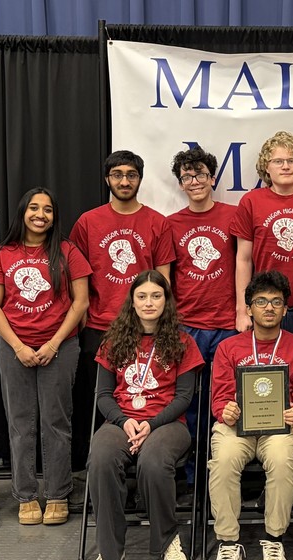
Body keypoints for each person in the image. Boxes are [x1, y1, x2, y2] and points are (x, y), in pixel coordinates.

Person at [86, 270, 204, 560]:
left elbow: (184, 397)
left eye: (156, 296)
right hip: (121, 422)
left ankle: (167, 541)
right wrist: (124, 421)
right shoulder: (113, 341)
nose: (149, 302)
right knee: (101, 458)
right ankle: (110, 552)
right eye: (142, 296)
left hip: (167, 424)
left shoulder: (183, 341)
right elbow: (103, 395)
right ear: (132, 301)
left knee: (154, 461)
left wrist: (151, 425)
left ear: (166, 301)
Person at [69, 150, 175, 493]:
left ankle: (146, 477)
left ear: (140, 179)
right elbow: (77, 275)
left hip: (147, 330)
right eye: (118, 175)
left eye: (131, 174)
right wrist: (82, 316)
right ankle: (107, 482)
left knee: (148, 397)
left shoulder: (157, 222)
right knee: (102, 404)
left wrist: (162, 322)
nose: (125, 181)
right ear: (107, 179)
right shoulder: (88, 222)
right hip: (100, 327)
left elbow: (163, 280)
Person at [0, 187, 91, 526]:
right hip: (13, 349)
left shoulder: (67, 251)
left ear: (54, 216)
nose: (40, 215)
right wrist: (18, 347)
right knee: (20, 423)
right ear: (23, 212)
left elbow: (81, 302)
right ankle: (26, 495)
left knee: (56, 422)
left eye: (47, 209)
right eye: (33, 208)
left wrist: (54, 344)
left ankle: (58, 493)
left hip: (59, 348)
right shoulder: (4, 254)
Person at [207, 271, 293, 560]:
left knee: (282, 460)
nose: (269, 308)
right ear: (249, 308)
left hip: (281, 427)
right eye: (261, 301)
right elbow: (219, 398)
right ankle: (228, 543)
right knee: (223, 460)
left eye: (276, 302)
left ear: (286, 309)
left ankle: (274, 539)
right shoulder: (229, 347)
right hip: (236, 426)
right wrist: (224, 410)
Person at [230, 131, 293, 349]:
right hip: (266, 307)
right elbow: (243, 260)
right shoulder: (251, 201)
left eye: (292, 160)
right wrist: (242, 311)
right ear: (266, 167)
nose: (285, 166)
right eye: (278, 161)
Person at [167, 146, 237, 449]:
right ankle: (192, 468)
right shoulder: (171, 223)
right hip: (187, 325)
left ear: (212, 179)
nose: (194, 182)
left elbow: (245, 263)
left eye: (200, 175)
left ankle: (222, 462)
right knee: (189, 400)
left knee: (227, 399)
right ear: (181, 184)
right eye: (187, 177)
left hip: (227, 324)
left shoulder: (233, 215)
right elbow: (167, 277)